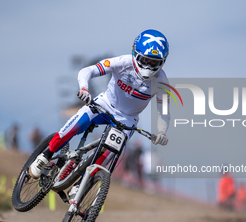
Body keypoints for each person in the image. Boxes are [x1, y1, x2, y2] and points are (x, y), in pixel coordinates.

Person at [29, 29, 171, 184]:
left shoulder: (162, 82)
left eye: (154, 62)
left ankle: (81, 186)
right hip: (105, 104)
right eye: (146, 60)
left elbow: (163, 111)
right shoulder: (123, 62)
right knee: (76, 126)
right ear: (135, 54)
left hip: (127, 120)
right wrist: (84, 88)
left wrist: (162, 132)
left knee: (105, 159)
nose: (149, 66)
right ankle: (45, 155)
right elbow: (88, 70)